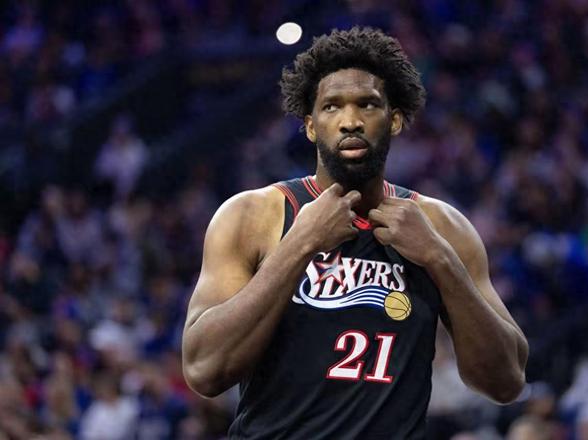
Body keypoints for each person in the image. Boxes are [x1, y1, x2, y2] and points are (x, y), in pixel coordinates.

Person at [182, 26, 528, 438]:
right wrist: (300, 244)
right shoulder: (252, 216)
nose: (350, 121)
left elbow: (506, 381)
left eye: (368, 104)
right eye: (331, 107)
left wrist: (439, 259)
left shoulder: (441, 228)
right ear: (310, 126)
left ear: (394, 119)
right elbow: (204, 370)